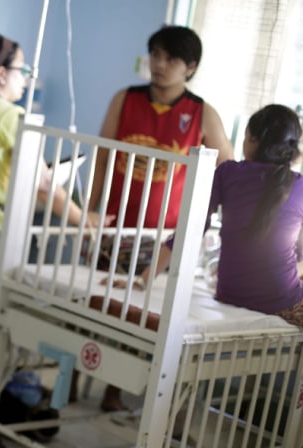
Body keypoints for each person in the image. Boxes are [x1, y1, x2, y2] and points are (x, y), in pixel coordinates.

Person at [85, 25, 234, 411]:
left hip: (162, 234)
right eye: (155, 55)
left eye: (170, 59)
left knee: (137, 314)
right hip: (115, 224)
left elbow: (229, 168)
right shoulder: (126, 98)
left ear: (190, 67)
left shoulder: (200, 112)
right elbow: (102, 154)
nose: (159, 64)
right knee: (94, 306)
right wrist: (92, 208)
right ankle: (79, 376)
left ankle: (114, 390)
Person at [0, 33, 109, 302]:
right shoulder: (11, 116)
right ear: (0, 74)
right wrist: (85, 221)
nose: (27, 77)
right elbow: (43, 185)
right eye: (23, 69)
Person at [134, 104, 303, 325]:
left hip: (230, 293)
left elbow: (188, 230)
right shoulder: (299, 185)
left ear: (253, 140)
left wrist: (142, 282)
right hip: (282, 301)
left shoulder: (228, 173)